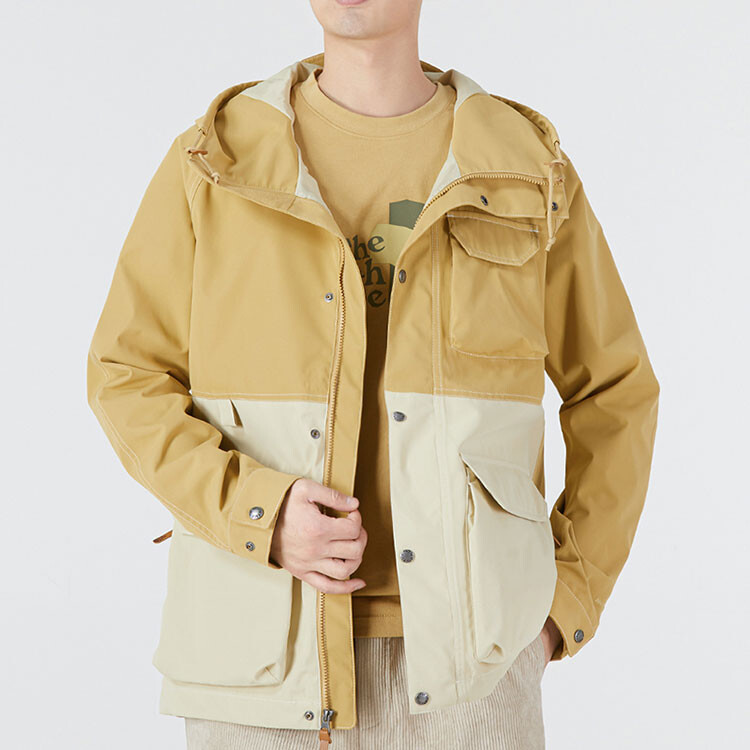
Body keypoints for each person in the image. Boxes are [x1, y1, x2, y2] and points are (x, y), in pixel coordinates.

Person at [86, 1, 660, 748]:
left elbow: (616, 391)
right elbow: (126, 372)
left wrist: (565, 602)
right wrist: (257, 513)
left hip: (474, 675)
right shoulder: (214, 159)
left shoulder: (523, 167)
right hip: (255, 669)